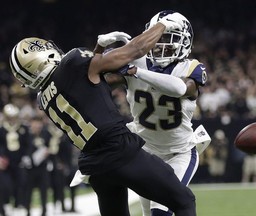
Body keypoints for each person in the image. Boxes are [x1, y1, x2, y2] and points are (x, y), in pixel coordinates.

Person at [9, 13, 198, 216]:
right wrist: (163, 24)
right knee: (184, 201)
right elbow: (135, 50)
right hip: (120, 151)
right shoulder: (72, 62)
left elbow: (90, 82)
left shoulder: (42, 99)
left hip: (95, 167)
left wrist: (99, 48)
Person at [103, 10, 211, 216]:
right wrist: (108, 52)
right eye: (158, 39)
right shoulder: (137, 61)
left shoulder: (191, 68)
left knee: (161, 212)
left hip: (179, 152)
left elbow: (180, 88)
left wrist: (137, 72)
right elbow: (98, 79)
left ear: (185, 43)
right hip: (145, 153)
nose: (162, 45)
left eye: (170, 39)